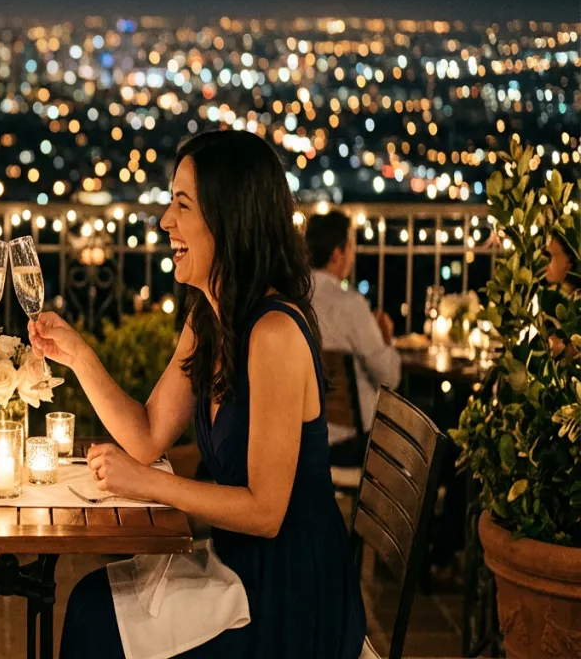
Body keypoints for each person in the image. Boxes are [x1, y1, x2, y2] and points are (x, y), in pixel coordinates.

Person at [31, 130, 366, 659]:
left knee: (98, 622)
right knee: (90, 602)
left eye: (181, 205)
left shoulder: (274, 333)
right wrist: (77, 356)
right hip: (238, 567)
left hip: (287, 599)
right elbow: (146, 436)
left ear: (228, 218)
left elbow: (266, 511)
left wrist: (146, 483)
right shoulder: (209, 316)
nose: (166, 221)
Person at [304, 210, 402, 465]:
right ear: (337, 254)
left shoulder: (295, 300)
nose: (353, 255)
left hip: (306, 436)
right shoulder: (351, 305)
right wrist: (386, 339)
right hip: (354, 443)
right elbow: (390, 378)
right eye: (350, 246)